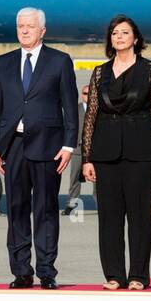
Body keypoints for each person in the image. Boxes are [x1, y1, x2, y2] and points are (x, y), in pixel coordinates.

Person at [0, 7, 79, 289]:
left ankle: (47, 270)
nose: (24, 30)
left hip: (48, 147)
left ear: (42, 30)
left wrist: (68, 146)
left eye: (29, 26)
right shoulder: (4, 62)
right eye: (20, 26)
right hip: (12, 147)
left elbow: (70, 107)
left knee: (46, 210)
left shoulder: (59, 61)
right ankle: (21, 271)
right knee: (15, 209)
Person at [80, 16, 151, 290]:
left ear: (136, 38)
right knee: (109, 217)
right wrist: (87, 158)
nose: (119, 37)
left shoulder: (150, 70)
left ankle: (138, 276)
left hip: (141, 152)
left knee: (139, 217)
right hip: (105, 152)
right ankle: (114, 275)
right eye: (115, 33)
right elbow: (92, 115)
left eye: (125, 33)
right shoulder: (100, 72)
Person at [63, 84, 91, 215]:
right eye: (85, 93)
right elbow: (68, 127)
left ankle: (102, 204)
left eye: (90, 93)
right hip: (78, 149)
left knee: (98, 179)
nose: (88, 96)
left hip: (95, 151)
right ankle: (72, 204)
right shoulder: (76, 109)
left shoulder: (100, 109)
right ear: (82, 94)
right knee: (74, 177)